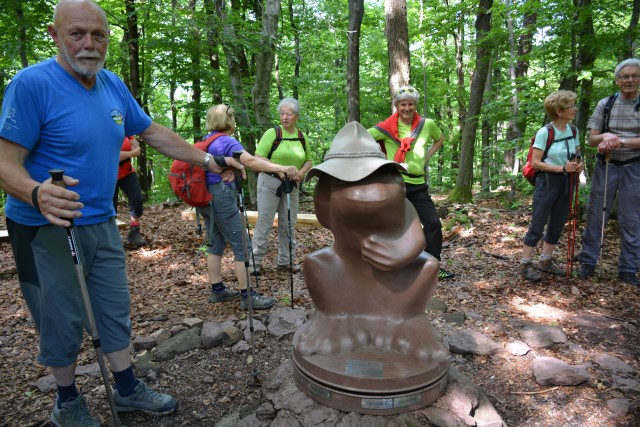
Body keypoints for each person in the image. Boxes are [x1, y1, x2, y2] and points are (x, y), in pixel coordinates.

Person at [0, 1, 242, 426]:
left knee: (113, 308)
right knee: (60, 316)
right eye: (77, 34)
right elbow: (4, 160)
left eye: (99, 35)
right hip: (45, 226)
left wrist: (209, 161)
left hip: (100, 220)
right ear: (56, 36)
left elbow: (151, 132)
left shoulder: (111, 85)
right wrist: (36, 193)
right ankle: (67, 399)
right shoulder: (31, 85)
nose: (89, 44)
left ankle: (128, 388)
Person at [198, 104, 298, 309]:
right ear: (226, 121)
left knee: (215, 243)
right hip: (222, 198)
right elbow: (252, 162)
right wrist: (281, 168)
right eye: (232, 118)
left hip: (205, 198)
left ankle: (218, 290)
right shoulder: (226, 141)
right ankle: (247, 296)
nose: (234, 121)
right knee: (242, 245)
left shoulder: (205, 141)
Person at [368, 85, 455, 280]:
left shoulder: (427, 124)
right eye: (403, 104)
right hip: (395, 184)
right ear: (396, 106)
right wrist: (380, 158)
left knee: (433, 224)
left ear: (415, 105)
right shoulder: (385, 128)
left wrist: (427, 157)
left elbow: (439, 138)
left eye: (411, 104)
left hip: (418, 185)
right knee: (390, 226)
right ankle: (388, 265)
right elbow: (362, 136)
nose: (407, 108)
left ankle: (433, 267)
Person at [576, 58, 640, 286]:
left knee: (631, 217)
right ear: (617, 80)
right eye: (625, 76)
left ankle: (629, 268)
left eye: (634, 76)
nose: (630, 80)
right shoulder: (606, 104)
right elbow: (592, 139)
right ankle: (588, 262)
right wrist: (605, 137)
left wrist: (619, 141)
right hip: (607, 165)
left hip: (635, 166)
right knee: (596, 213)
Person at [520, 90, 582, 281]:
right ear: (559, 109)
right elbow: (535, 162)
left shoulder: (573, 130)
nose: (575, 109)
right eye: (571, 106)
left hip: (567, 181)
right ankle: (525, 264)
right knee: (537, 224)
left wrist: (579, 166)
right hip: (547, 182)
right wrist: (562, 168)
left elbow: (577, 153)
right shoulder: (545, 132)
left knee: (557, 223)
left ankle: (545, 261)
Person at [250, 98, 313, 275]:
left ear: (296, 116)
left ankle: (286, 261)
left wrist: (301, 172)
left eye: (289, 114)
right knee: (265, 223)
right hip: (270, 182)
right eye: (282, 114)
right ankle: (255, 262)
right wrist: (278, 169)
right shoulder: (272, 133)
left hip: (291, 185)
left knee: (289, 224)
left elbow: (309, 161)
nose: (284, 117)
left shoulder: (301, 136)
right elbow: (257, 157)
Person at [114, 135, 147, 246]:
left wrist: (125, 154)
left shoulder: (125, 130)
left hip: (127, 172)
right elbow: (113, 156)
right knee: (110, 206)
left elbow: (138, 150)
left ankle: (134, 232)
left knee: (137, 200)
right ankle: (111, 237)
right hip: (109, 174)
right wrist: (131, 153)